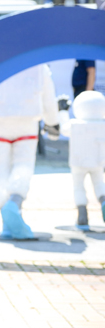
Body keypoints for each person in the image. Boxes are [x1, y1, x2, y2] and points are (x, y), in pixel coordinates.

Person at [0, 65, 59, 239]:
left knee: (0, 169)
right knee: (23, 166)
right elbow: (48, 95)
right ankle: (14, 203)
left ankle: (6, 221)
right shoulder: (39, 65)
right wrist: (52, 121)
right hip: (27, 120)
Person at [59, 91, 105, 228]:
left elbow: (63, 129)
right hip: (97, 162)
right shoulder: (102, 125)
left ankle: (82, 213)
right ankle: (103, 202)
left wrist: (62, 112)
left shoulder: (74, 124)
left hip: (78, 162)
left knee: (78, 187)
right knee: (99, 183)